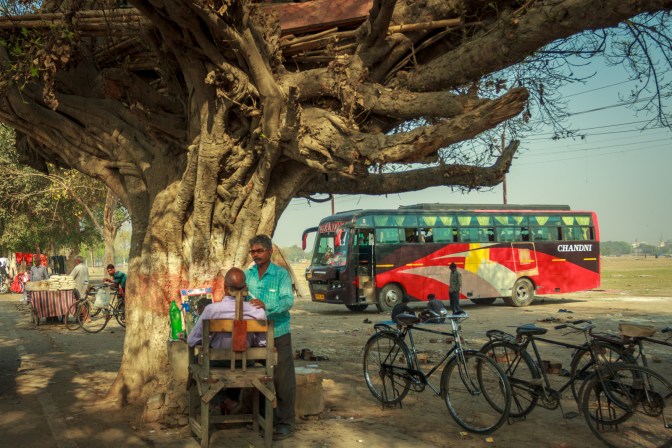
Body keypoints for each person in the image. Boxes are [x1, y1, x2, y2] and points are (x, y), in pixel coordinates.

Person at [187, 267, 267, 415]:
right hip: (246, 362)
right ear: (245, 288)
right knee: (237, 364)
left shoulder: (211, 310)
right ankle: (230, 402)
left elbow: (192, 340)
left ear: (225, 288)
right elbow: (263, 344)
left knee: (198, 361)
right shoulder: (258, 311)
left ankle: (225, 401)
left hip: (217, 362)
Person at [245, 234, 296, 441]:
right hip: (254, 336)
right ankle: (263, 420)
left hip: (278, 332)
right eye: (253, 252)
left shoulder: (281, 274)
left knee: (283, 381)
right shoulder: (248, 274)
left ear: (269, 251)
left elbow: (287, 302)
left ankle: (285, 424)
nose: (255, 255)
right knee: (259, 378)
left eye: (259, 251)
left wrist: (268, 307)